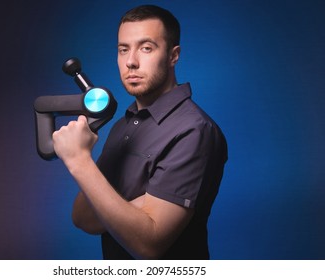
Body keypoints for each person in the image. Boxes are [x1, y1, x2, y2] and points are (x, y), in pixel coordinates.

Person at [52, 4, 228, 260]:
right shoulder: (123, 125)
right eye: (124, 49)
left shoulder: (194, 130)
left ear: (173, 56)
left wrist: (79, 161)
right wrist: (139, 210)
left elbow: (149, 244)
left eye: (146, 48)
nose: (131, 61)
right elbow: (83, 219)